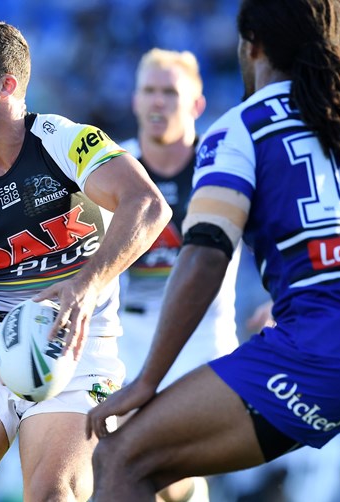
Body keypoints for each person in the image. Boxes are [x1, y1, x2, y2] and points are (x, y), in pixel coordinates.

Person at [87, 0, 340, 501]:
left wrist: (148, 381)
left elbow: (206, 254)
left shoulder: (239, 127)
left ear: (252, 44)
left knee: (120, 458)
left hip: (322, 351)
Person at [0, 20, 170, 501]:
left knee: (53, 496)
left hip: (81, 350)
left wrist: (83, 289)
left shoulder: (67, 142)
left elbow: (148, 206)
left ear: (7, 85)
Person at [117, 48, 240, 502]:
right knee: (124, 467)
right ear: (134, 100)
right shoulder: (111, 169)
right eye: (149, 90)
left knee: (150, 463)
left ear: (196, 105)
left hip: (203, 341)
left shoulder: (224, 165)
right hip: (124, 340)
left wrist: (279, 303)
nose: (158, 102)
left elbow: (272, 237)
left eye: (170, 92)